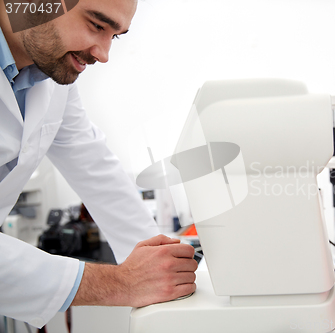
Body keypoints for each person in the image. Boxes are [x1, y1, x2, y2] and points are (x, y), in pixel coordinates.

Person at [0, 0, 197, 328]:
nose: (104, 54)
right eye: (96, 25)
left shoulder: (45, 76)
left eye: (115, 36)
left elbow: (94, 164)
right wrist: (121, 283)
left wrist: (160, 263)